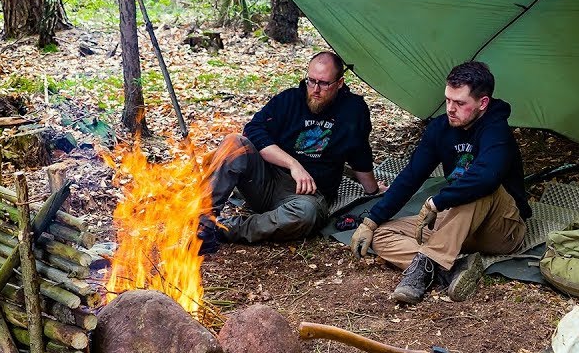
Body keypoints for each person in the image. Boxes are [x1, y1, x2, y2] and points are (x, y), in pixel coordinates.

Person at [349, 61, 530, 304]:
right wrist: (371, 220)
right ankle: (453, 268)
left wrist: (437, 202)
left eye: (460, 103)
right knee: (381, 235)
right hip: (456, 225)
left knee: (479, 186)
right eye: (447, 100)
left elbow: (486, 177)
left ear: (483, 103)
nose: (450, 109)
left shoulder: (496, 130)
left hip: (501, 228)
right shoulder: (440, 129)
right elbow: (412, 175)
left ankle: (421, 273)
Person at [199, 51, 382, 251]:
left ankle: (226, 228)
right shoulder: (290, 100)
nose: (315, 89)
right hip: (267, 182)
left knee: (306, 214)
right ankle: (203, 224)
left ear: (339, 83)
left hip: (307, 196)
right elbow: (253, 130)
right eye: (311, 81)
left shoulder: (353, 110)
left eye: (323, 83)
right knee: (233, 143)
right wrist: (293, 164)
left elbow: (359, 153)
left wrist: (372, 190)